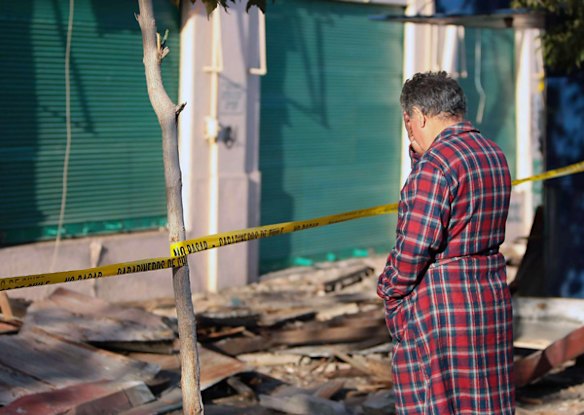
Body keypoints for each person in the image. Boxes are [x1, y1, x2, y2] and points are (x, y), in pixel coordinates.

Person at [377, 71, 514, 414]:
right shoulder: (492, 153)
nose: (409, 132)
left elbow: (414, 250)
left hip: (443, 309)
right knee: (485, 402)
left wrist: (389, 290)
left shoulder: (436, 166)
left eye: (408, 123)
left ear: (420, 116)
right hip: (489, 298)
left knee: (434, 403)